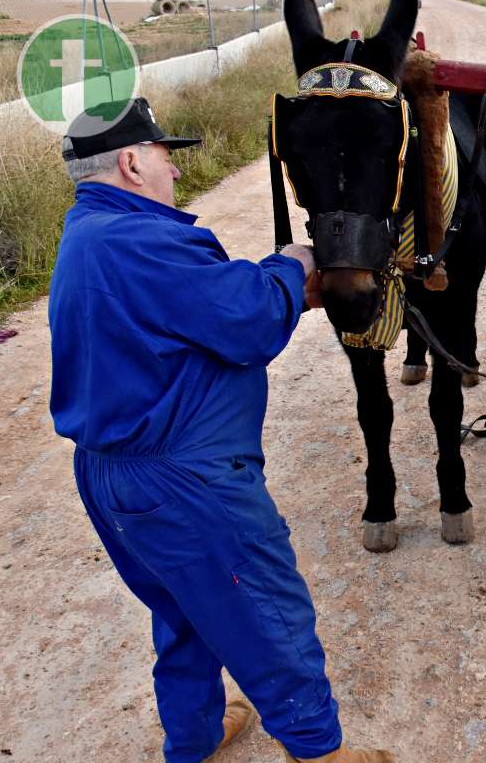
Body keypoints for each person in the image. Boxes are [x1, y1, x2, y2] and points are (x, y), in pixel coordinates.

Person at [48, 98, 393, 763]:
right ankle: (320, 753)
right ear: (129, 162)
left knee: (185, 611)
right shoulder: (139, 242)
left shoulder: (91, 234)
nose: (174, 172)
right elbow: (246, 320)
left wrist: (275, 284)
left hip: (112, 477)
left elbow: (194, 306)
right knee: (267, 613)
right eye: (163, 156)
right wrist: (292, 265)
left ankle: (196, 738)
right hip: (183, 484)